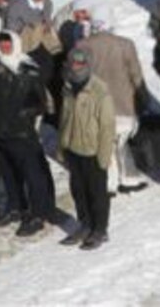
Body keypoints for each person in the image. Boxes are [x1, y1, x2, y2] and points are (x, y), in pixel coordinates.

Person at [0, 31, 58, 237]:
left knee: (32, 174)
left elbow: (41, 102)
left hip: (22, 133)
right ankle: (15, 207)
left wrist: (25, 114)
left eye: (8, 43)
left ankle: (38, 214)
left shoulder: (29, 68)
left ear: (15, 43)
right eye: (1, 43)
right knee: (8, 171)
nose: (4, 46)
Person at [79, 10, 149, 194]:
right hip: (124, 106)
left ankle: (109, 184)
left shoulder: (82, 47)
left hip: (97, 107)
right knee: (121, 143)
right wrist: (144, 98)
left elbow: (75, 77)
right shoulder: (125, 45)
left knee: (105, 146)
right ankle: (128, 178)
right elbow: (136, 76)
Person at [57, 45, 118, 248]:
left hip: (92, 151)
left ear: (88, 64)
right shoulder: (67, 87)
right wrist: (62, 145)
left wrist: (104, 155)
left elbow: (107, 126)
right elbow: (64, 119)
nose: (76, 66)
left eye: (81, 62)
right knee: (78, 191)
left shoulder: (100, 91)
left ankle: (100, 229)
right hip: (73, 149)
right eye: (73, 62)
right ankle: (85, 224)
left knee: (97, 193)